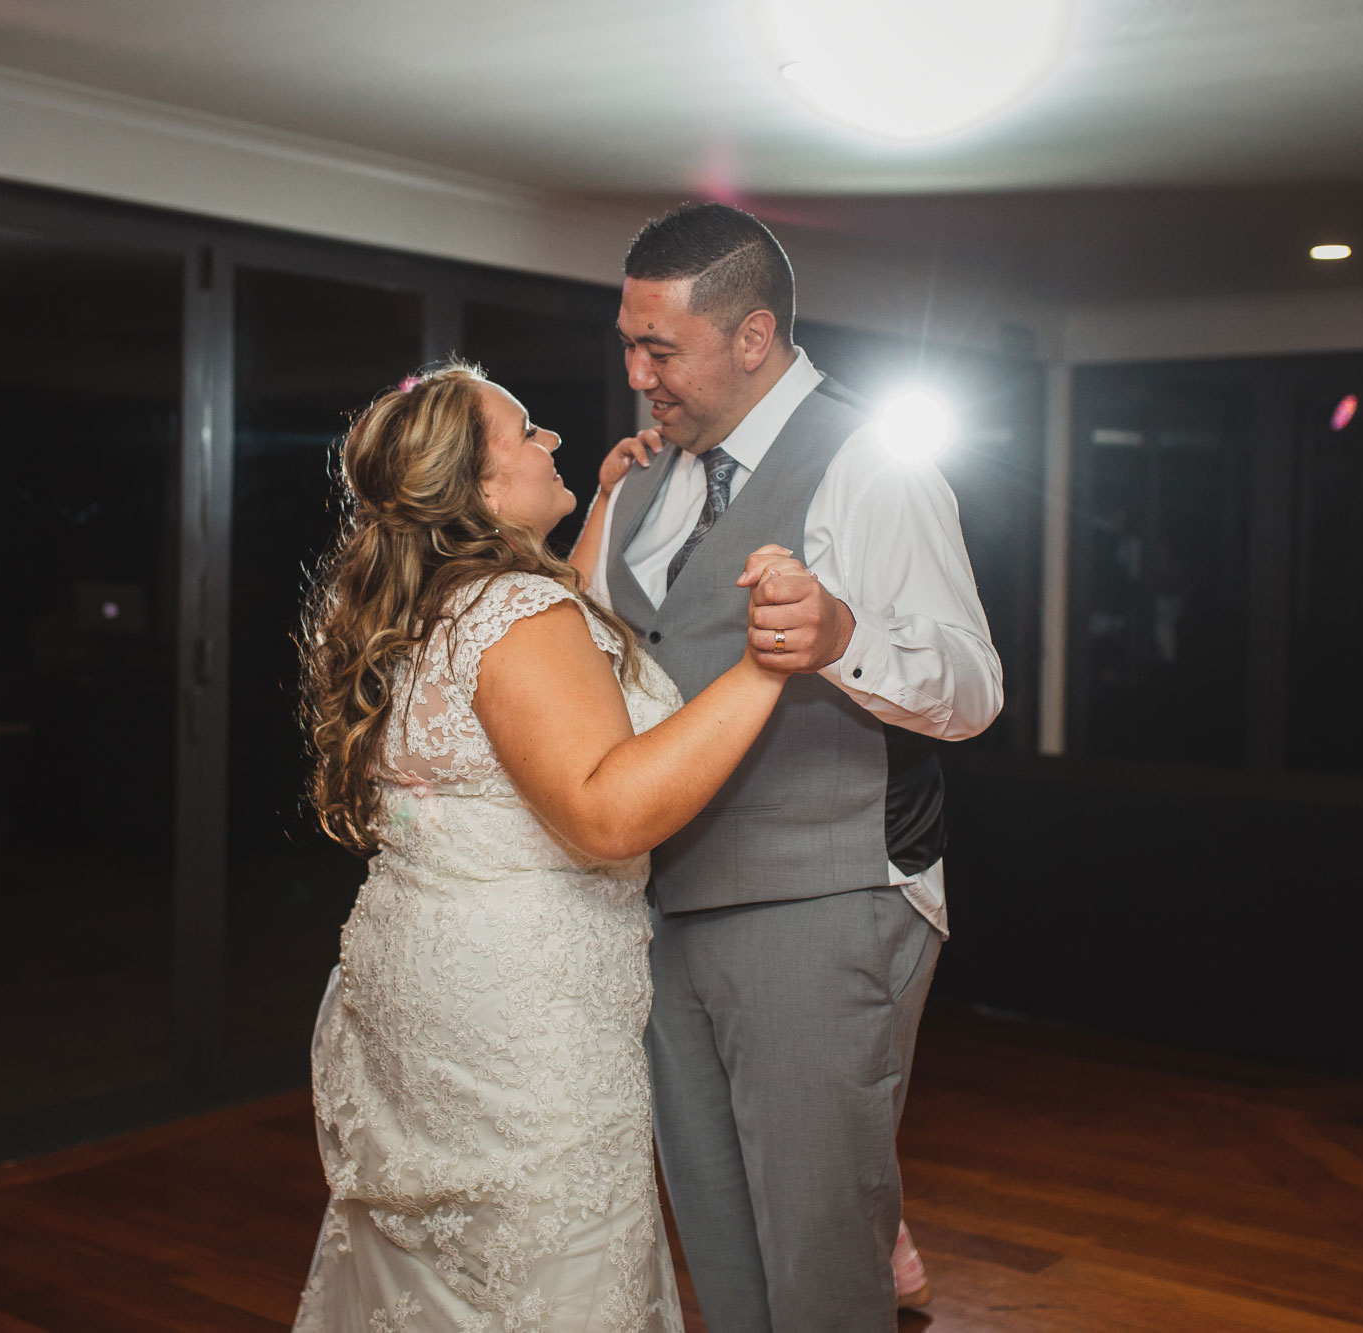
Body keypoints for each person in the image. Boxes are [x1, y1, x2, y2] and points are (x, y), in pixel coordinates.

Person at [291, 361, 796, 1332]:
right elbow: (604, 813)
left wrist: (600, 499)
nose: (551, 440)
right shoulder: (518, 616)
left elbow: (550, 625)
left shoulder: (422, 601)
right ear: (479, 487)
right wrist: (767, 666)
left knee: (441, 1256)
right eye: (525, 432)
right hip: (521, 1006)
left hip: (416, 972)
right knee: (546, 1265)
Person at [568, 202, 1002, 1330]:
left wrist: (841, 638)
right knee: (718, 1241)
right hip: (660, 912)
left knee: (819, 1259)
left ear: (750, 337)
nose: (635, 372)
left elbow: (971, 688)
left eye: (657, 347)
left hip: (824, 900)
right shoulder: (647, 482)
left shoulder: (870, 463)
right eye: (628, 342)